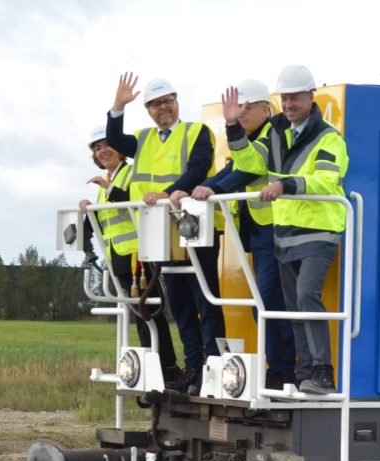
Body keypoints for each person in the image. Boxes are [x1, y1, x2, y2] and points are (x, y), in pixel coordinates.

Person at [219, 65, 347, 394]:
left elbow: (326, 180)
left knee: (306, 296)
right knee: (292, 307)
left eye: (295, 98)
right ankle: (304, 372)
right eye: (285, 98)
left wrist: (285, 184)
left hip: (319, 232)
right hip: (285, 234)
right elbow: (250, 164)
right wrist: (233, 126)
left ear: (311, 97)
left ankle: (322, 371)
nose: (289, 104)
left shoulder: (329, 138)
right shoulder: (278, 134)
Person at [104, 72, 221, 393]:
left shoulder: (197, 131)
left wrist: (168, 193)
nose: (161, 109)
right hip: (160, 232)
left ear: (176, 102)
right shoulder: (142, 139)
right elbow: (114, 140)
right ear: (148, 111)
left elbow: (198, 169)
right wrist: (117, 105)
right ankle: (193, 369)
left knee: (205, 300)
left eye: (166, 102)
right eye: (154, 105)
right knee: (180, 305)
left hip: (194, 225)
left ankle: (213, 367)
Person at [179, 79, 295, 389]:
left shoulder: (273, 133)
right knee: (267, 300)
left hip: (278, 229)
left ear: (265, 109)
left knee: (268, 299)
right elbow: (231, 170)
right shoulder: (250, 139)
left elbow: (248, 170)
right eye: (237, 110)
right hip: (260, 232)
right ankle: (280, 367)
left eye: (246, 109)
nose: (241, 115)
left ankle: (283, 369)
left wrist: (212, 189)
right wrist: (192, 189)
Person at [77, 125, 178, 379]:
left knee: (149, 312)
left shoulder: (131, 174)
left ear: (121, 149)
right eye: (97, 148)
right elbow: (105, 221)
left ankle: (166, 367)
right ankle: (155, 366)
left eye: (106, 145)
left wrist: (108, 189)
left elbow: (129, 201)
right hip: (118, 257)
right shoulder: (105, 184)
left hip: (137, 256)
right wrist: (87, 210)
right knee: (139, 315)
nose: (102, 152)